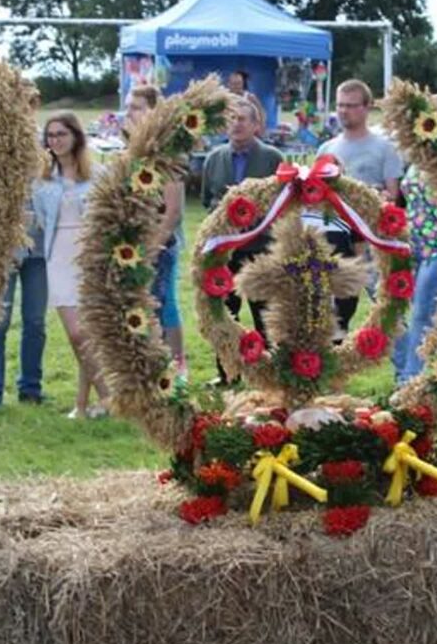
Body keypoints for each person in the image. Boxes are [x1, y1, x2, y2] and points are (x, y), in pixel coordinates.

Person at [33, 112, 110, 418]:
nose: (55, 141)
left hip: (90, 255)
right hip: (59, 257)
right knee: (76, 334)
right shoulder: (42, 181)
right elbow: (41, 220)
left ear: (76, 136)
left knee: (86, 334)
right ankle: (107, 398)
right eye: (50, 136)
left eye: (61, 134)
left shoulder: (98, 175)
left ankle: (83, 405)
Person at [201, 99, 283, 383]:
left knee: (265, 313)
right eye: (232, 118)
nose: (236, 123)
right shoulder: (213, 158)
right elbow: (207, 200)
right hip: (224, 253)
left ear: (256, 125)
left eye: (243, 119)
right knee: (224, 313)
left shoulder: (272, 158)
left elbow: (282, 203)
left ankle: (271, 372)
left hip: (260, 249)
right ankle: (227, 374)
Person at [0, 81, 48, 409]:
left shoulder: (45, 148)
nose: (26, 111)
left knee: (35, 320)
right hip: (3, 248)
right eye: (21, 104)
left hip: (40, 248)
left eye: (31, 105)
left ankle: (30, 388)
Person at [317, 78, 404, 332]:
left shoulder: (385, 148)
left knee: (390, 311)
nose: (344, 111)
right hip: (334, 239)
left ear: (367, 107)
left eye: (351, 105)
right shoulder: (326, 148)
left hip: (372, 240)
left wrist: (364, 195)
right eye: (340, 105)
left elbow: (392, 195)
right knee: (333, 314)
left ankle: (404, 370)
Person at [125, 84, 188, 380]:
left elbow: (173, 211)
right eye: (128, 107)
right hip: (134, 243)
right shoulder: (131, 150)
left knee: (165, 302)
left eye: (136, 107)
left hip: (160, 244)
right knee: (141, 305)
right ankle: (148, 367)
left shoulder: (166, 151)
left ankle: (178, 368)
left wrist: (154, 246)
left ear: (153, 110)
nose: (130, 113)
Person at [392, 164, 437, 383]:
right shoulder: (415, 162)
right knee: (417, 314)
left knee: (422, 316)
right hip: (416, 250)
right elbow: (405, 202)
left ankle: (411, 380)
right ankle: (416, 376)